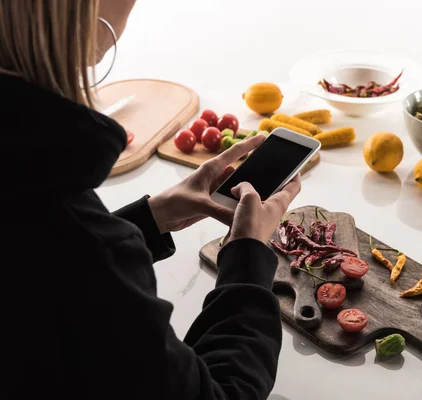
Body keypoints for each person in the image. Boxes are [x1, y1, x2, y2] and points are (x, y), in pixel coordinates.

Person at [0, 1, 300, 399]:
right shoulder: (89, 251)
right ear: (81, 13)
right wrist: (248, 257)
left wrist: (146, 220)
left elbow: (37, 257)